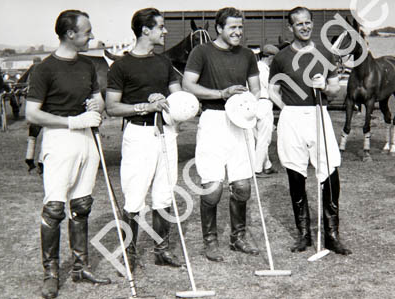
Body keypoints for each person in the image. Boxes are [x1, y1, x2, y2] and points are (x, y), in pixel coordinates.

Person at [25, 10, 111, 299]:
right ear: (70, 34)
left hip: (87, 139)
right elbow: (32, 113)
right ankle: (50, 273)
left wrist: (95, 107)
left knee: (82, 204)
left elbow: (97, 99)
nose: (91, 36)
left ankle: (80, 266)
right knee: (54, 208)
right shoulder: (44, 69)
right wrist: (73, 121)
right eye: (87, 31)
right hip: (60, 139)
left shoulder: (88, 65)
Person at [268, 6, 351, 255]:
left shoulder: (325, 52)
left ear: (312, 24)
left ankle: (332, 234)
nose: (304, 27)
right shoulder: (282, 57)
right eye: (298, 24)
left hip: (318, 113)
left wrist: (324, 86)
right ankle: (303, 235)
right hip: (292, 116)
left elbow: (336, 89)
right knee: (295, 172)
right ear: (290, 27)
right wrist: (286, 108)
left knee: (329, 171)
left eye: (307, 23)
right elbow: (272, 89)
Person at [105, 8, 183, 272]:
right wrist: (144, 106)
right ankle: (129, 255)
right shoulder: (121, 65)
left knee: (164, 193)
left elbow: (178, 98)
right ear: (145, 30)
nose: (165, 31)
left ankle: (162, 251)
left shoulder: (164, 62)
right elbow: (112, 108)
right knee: (135, 196)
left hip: (166, 132)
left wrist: (171, 103)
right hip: (138, 133)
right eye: (160, 26)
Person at [182, 7, 261, 262]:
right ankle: (210, 241)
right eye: (232, 28)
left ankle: (238, 238)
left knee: (242, 186)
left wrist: (246, 105)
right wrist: (221, 94)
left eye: (240, 27)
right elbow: (188, 85)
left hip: (239, 121)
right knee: (213, 187)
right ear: (219, 28)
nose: (238, 32)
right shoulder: (201, 52)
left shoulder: (248, 54)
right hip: (213, 120)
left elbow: (256, 89)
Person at [254, 44, 279, 177]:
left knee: (261, 138)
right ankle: (257, 169)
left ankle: (267, 165)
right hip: (264, 103)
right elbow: (271, 89)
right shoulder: (264, 70)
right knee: (264, 139)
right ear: (269, 57)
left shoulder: (256, 68)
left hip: (256, 104)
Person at [19, 57, 44, 173]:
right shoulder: (44, 69)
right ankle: (41, 161)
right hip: (44, 101)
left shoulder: (32, 68)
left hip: (32, 102)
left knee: (33, 132)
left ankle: (29, 158)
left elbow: (20, 82)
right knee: (48, 130)